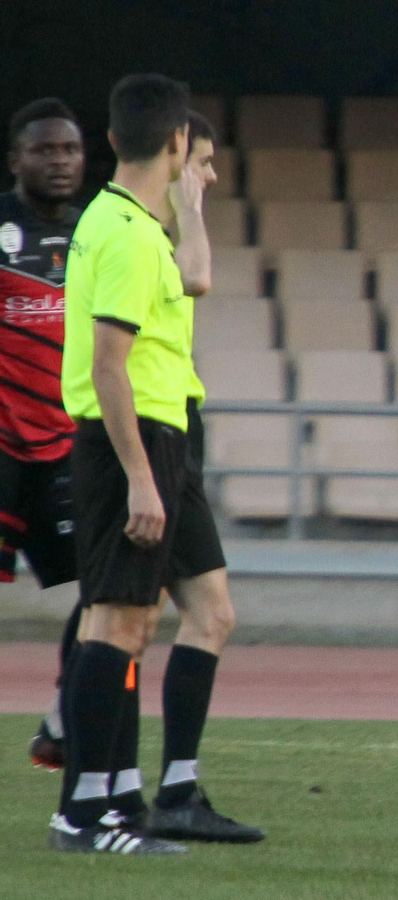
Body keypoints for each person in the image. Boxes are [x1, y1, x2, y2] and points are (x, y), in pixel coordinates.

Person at [50, 74, 258, 854]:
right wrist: (141, 474)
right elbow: (109, 365)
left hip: (157, 436)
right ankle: (87, 813)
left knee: (192, 614)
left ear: (111, 140)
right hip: (128, 442)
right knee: (117, 623)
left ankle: (149, 797)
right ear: (177, 143)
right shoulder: (131, 235)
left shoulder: (126, 221)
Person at [2, 100, 86, 761]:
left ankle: (62, 724)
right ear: (16, 160)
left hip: (65, 450)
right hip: (1, 446)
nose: (60, 161)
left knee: (112, 592)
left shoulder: (95, 234)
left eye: (70, 150)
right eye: (45, 150)